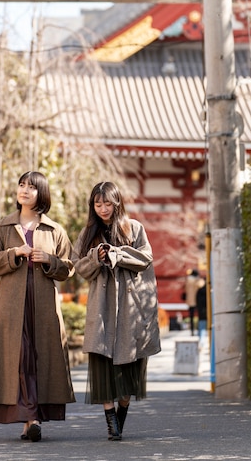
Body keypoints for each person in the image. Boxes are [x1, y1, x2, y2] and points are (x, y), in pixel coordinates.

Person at [0, 171, 75, 442]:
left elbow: (69, 268)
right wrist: (13, 254)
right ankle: (30, 419)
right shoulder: (4, 226)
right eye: (22, 185)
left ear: (41, 193)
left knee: (39, 357)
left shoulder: (54, 230)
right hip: (12, 305)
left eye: (31, 187)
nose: (24, 190)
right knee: (19, 358)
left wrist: (49, 260)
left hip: (43, 305)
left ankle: (31, 419)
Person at [72, 181, 161, 442]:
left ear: (117, 202)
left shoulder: (133, 228)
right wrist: (95, 257)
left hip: (130, 309)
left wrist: (117, 254)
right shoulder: (88, 231)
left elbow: (146, 257)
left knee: (128, 374)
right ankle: (111, 422)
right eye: (97, 204)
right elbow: (78, 265)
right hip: (101, 307)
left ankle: (121, 414)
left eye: (107, 203)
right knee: (102, 367)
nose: (102, 209)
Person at [184, 269, 204, 336]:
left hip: (190, 300)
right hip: (197, 300)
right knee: (199, 316)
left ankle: (192, 330)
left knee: (191, 316)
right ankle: (198, 330)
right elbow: (201, 285)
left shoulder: (188, 280)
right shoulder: (197, 280)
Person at [196, 279, 207, 347]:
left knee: (201, 327)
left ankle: (201, 342)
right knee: (202, 327)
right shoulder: (207, 292)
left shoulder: (199, 292)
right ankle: (202, 342)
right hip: (206, 313)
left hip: (201, 313)